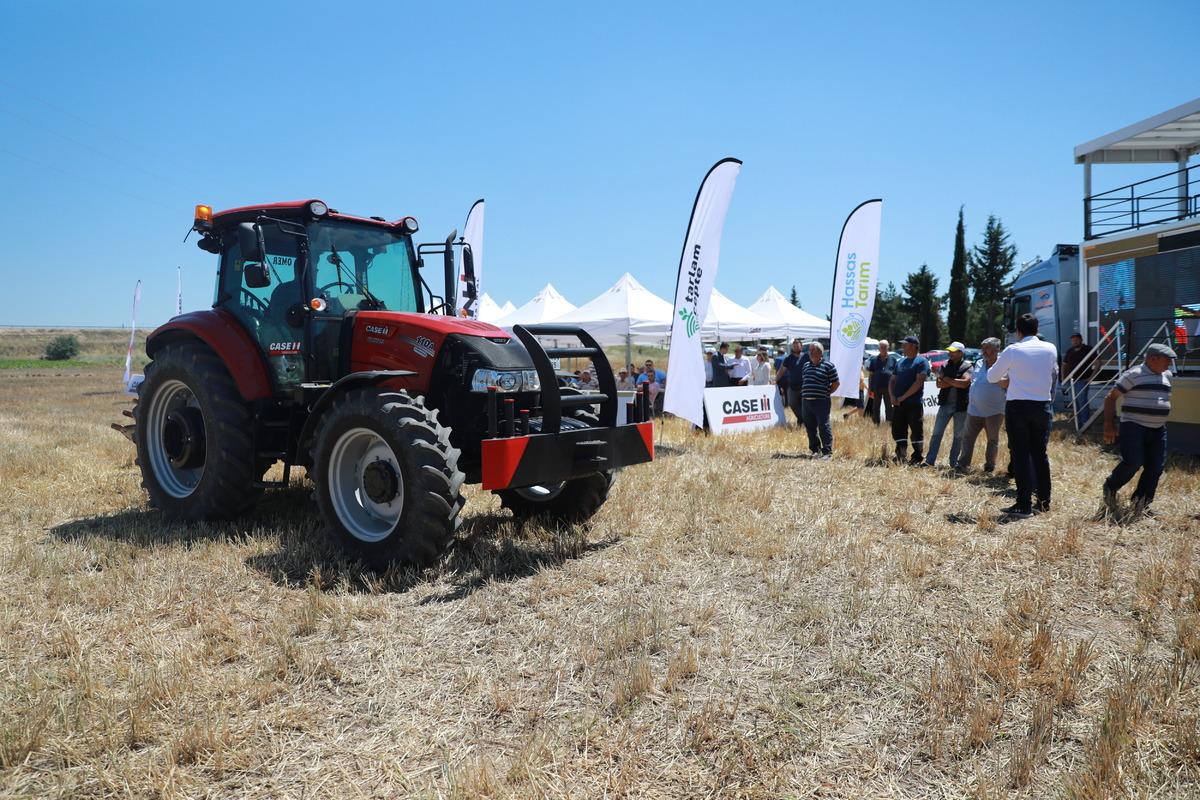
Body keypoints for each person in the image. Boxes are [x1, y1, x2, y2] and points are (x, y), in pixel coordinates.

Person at [988, 313, 1058, 518]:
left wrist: (1008, 377)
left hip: (1018, 406)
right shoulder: (1051, 348)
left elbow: (992, 376)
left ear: (1018, 331)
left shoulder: (1013, 350)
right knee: (1039, 455)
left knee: (1020, 456)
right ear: (1036, 329)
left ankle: (1023, 504)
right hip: (1042, 406)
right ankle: (1043, 502)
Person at [1101, 343, 1176, 518]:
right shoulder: (1133, 375)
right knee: (1133, 461)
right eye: (1167, 360)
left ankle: (1141, 503)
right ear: (1152, 358)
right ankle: (1111, 486)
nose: (1170, 365)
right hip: (1133, 426)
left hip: (1158, 429)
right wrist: (1109, 425)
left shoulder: (1167, 375)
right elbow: (1110, 399)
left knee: (1155, 467)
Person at [955, 337, 1006, 473]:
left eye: (987, 347)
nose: (984, 350)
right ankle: (963, 464)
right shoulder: (978, 363)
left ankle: (989, 466)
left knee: (992, 440)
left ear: (996, 349)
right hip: (974, 410)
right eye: (983, 347)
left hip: (994, 411)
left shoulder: (1003, 365)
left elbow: (1007, 384)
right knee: (967, 438)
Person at [925, 342, 972, 467]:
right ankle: (930, 461)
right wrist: (955, 381)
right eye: (950, 351)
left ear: (961, 353)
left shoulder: (967, 366)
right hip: (945, 404)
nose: (950, 353)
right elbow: (938, 384)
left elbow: (964, 383)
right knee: (936, 433)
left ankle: (953, 462)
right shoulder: (945, 365)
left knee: (958, 436)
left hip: (961, 406)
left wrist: (945, 378)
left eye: (953, 351)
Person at [889, 335, 930, 464]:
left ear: (913, 346)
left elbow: (918, 382)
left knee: (916, 431)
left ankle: (917, 457)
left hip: (913, 403)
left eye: (905, 344)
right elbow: (892, 380)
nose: (902, 347)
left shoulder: (921, 362)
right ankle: (900, 454)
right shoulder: (900, 361)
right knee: (898, 429)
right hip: (898, 403)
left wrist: (902, 397)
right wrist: (892, 396)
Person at [800, 342, 839, 457]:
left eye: (812, 350)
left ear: (820, 352)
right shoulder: (806, 365)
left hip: (821, 401)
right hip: (806, 401)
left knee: (823, 425)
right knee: (810, 426)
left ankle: (827, 451)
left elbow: (836, 383)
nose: (810, 352)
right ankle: (815, 450)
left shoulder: (829, 366)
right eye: (809, 350)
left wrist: (828, 392)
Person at [1061, 333, 1095, 424]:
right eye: (1072, 340)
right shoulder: (1070, 351)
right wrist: (1063, 378)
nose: (1074, 342)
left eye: (1076, 340)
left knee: (1082, 401)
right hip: (1071, 380)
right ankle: (1078, 421)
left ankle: (1085, 423)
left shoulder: (1088, 349)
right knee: (1075, 402)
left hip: (1083, 380)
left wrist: (1091, 377)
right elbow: (1064, 365)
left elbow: (1099, 362)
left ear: (1081, 340)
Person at [776, 338, 809, 426]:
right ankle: (801, 419)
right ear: (792, 347)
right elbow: (781, 371)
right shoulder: (788, 358)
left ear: (801, 347)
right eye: (794, 346)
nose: (796, 347)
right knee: (791, 403)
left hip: (805, 386)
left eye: (797, 346)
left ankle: (802, 421)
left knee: (804, 405)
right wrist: (775, 380)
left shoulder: (807, 357)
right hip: (792, 387)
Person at [865, 339, 898, 425]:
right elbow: (871, 375)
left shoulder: (893, 360)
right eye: (881, 347)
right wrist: (869, 388)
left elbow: (896, 375)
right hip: (876, 387)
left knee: (889, 407)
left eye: (885, 347)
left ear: (888, 348)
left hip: (889, 388)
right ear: (879, 348)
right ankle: (876, 424)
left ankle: (889, 423)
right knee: (875, 407)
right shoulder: (874, 360)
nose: (883, 349)